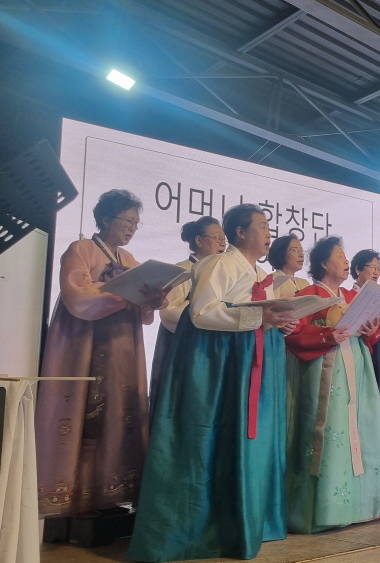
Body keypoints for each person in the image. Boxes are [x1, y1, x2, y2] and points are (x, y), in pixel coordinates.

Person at [128, 204, 297, 561]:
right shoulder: (219, 264)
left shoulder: (259, 273)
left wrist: (281, 322)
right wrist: (259, 317)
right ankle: (199, 532)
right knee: (210, 439)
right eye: (262, 226)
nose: (269, 233)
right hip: (221, 363)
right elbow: (202, 312)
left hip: (252, 358)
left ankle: (245, 523)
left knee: (249, 439)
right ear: (240, 232)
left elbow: (260, 316)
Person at [35, 189, 166, 518]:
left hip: (121, 344)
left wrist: (153, 298)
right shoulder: (81, 249)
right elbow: (76, 296)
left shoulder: (130, 259)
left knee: (118, 413)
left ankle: (108, 493)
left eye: (136, 222)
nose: (132, 227)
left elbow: (143, 308)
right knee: (83, 415)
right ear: (106, 219)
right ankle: (73, 496)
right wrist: (119, 293)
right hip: (86, 342)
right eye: (128, 220)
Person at [283, 237, 380, 532]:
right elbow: (292, 334)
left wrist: (371, 330)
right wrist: (325, 335)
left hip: (356, 369)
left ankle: (359, 506)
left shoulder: (352, 295)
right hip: (325, 370)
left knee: (360, 430)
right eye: (340, 257)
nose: (346, 262)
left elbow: (368, 336)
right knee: (329, 433)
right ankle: (325, 509)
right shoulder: (308, 295)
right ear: (323, 263)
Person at [150, 216, 226, 418]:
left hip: (212, 343)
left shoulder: (222, 272)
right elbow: (169, 311)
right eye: (217, 237)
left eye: (224, 238)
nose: (222, 243)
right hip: (182, 343)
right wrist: (207, 311)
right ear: (199, 241)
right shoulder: (181, 270)